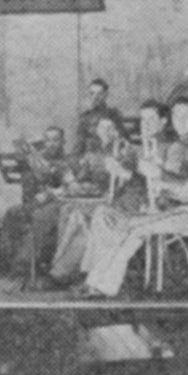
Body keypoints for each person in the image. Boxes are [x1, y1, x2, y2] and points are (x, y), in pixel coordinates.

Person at [75, 99, 188, 298]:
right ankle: (95, 282)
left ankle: (102, 287)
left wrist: (156, 174)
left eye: (185, 116)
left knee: (130, 228)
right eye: (176, 115)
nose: (179, 120)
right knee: (116, 220)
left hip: (186, 211)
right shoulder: (179, 145)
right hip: (167, 209)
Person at [48, 116, 129, 284]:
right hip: (95, 198)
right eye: (101, 128)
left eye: (110, 128)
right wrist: (75, 184)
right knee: (68, 210)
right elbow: (81, 179)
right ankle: (62, 266)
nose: (105, 132)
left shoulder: (123, 151)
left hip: (112, 201)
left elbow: (124, 183)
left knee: (72, 212)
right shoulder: (93, 154)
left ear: (117, 131)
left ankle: (61, 269)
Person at [1, 126, 71, 279]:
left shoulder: (68, 161)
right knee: (12, 213)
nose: (51, 144)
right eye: (48, 140)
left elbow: (69, 188)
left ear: (63, 142)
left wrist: (50, 193)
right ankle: (12, 263)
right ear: (43, 141)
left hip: (57, 204)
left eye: (55, 140)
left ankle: (26, 264)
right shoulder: (38, 159)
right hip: (35, 202)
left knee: (39, 217)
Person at [76, 79, 124, 155]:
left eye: (99, 94)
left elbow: (121, 138)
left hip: (110, 156)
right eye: (92, 93)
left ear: (106, 95)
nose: (95, 97)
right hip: (90, 157)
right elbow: (80, 144)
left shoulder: (113, 115)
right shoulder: (85, 117)